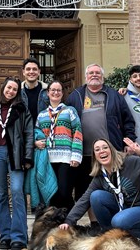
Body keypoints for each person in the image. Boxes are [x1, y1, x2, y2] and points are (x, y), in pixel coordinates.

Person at [59, 137, 140, 250]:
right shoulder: (100, 176)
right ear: (95, 155)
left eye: (105, 147)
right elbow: (84, 199)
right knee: (96, 196)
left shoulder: (131, 162)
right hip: (127, 211)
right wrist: (69, 221)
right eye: (97, 149)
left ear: (112, 150)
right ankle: (114, 239)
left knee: (119, 221)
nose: (102, 151)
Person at [65, 63, 136, 220]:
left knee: (112, 189)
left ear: (102, 77)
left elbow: (128, 121)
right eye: (91, 73)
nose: (94, 75)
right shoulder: (75, 95)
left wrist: (128, 142)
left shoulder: (114, 95)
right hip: (83, 154)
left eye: (97, 72)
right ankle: (94, 225)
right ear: (86, 76)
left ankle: (117, 222)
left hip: (109, 153)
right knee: (85, 190)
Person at [0, 78, 34, 250]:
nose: (11, 91)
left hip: (15, 154)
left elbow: (29, 134)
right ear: (3, 89)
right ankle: (5, 235)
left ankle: (19, 237)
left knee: (16, 191)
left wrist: (28, 157)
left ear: (17, 92)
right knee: (0, 195)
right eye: (9, 88)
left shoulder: (22, 110)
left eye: (15, 89)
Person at [34, 80, 83, 209]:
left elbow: (77, 132)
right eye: (53, 90)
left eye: (58, 90)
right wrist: (36, 142)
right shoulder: (42, 115)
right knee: (52, 193)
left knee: (64, 192)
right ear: (48, 93)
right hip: (47, 159)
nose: (55, 92)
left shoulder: (69, 111)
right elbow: (36, 132)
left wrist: (76, 155)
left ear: (62, 93)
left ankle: (69, 223)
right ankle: (55, 224)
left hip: (66, 158)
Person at [19, 57, 49, 125]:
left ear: (39, 72)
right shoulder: (18, 91)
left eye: (34, 69)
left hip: (43, 131)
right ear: (23, 72)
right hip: (23, 132)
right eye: (28, 69)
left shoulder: (47, 90)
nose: (31, 72)